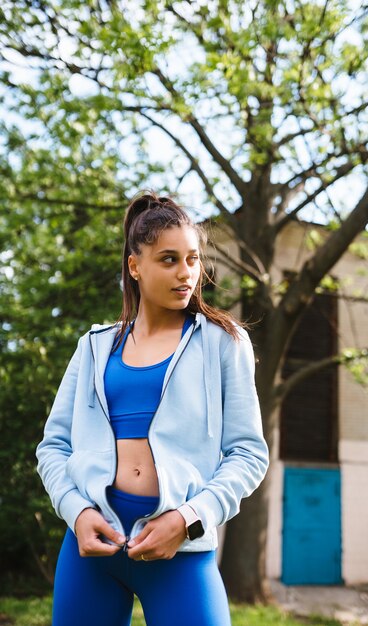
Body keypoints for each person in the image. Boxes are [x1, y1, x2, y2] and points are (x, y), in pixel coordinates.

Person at [36, 191, 269, 626]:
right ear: (134, 266)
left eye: (193, 259)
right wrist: (78, 512)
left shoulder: (224, 342)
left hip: (179, 551)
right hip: (91, 550)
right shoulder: (94, 347)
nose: (186, 274)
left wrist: (188, 518)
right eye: (168, 260)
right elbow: (54, 447)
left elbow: (248, 454)